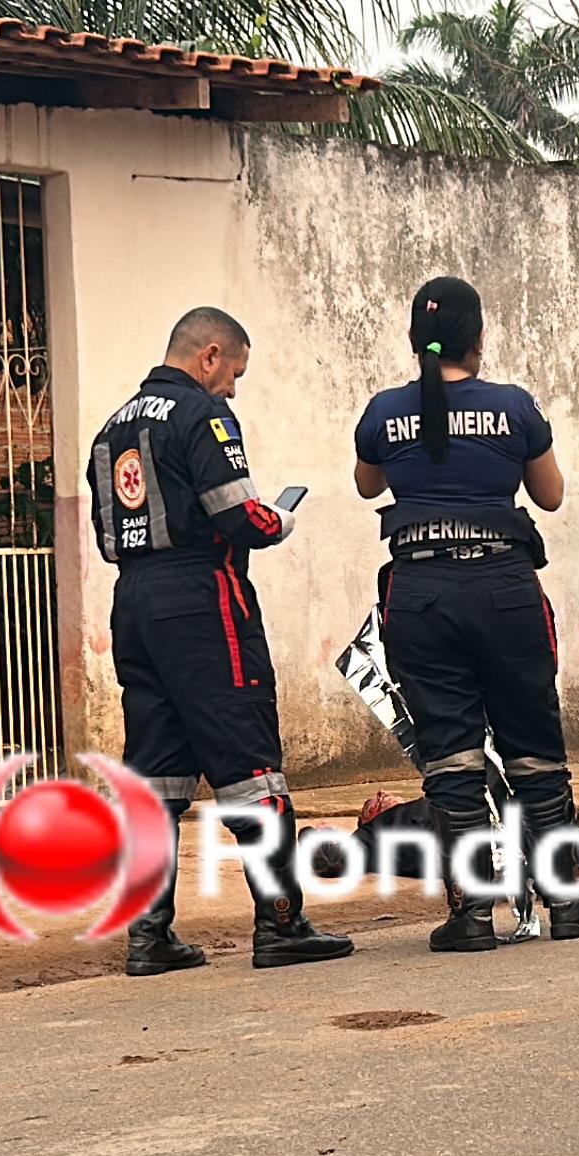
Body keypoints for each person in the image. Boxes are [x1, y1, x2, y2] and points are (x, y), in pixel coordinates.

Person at [86, 307, 355, 976]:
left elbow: (106, 532)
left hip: (135, 602)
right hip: (204, 599)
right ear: (209, 355)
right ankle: (281, 924)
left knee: (155, 771)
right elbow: (241, 517)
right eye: (233, 372)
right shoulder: (200, 415)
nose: (232, 388)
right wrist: (281, 518)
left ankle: (149, 937)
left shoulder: (110, 428)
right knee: (249, 763)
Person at [351, 276, 579, 952]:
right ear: (479, 337)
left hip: (421, 597)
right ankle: (567, 905)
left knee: (451, 757)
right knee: (534, 747)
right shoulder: (513, 407)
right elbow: (549, 495)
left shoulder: (383, 413)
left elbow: (367, 484)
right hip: (504, 591)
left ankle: (471, 917)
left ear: (414, 340)